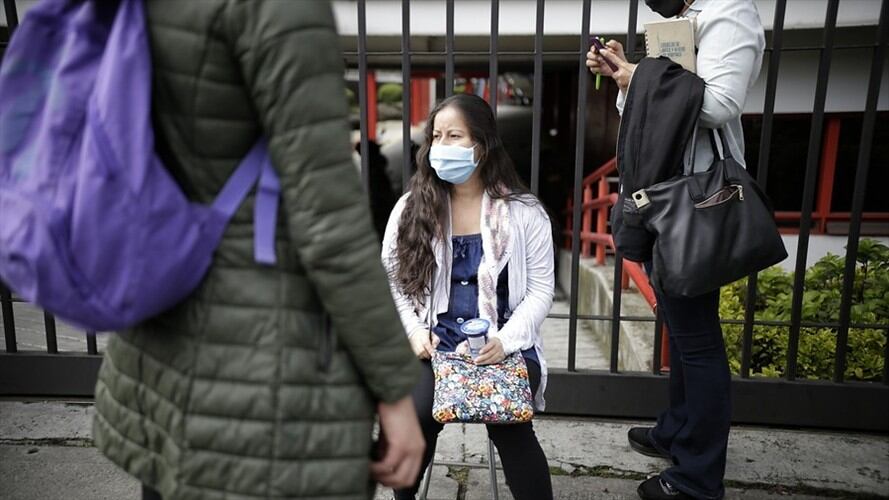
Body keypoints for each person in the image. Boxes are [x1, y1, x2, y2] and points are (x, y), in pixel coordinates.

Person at [92, 2, 424, 499]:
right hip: (262, 362)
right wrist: (395, 391)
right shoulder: (280, 8)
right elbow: (330, 225)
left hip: (157, 333)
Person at [587, 0, 765, 499]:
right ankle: (677, 431)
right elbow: (651, 111)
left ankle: (697, 478)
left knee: (698, 337)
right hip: (664, 196)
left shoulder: (729, 12)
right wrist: (627, 77)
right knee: (682, 325)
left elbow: (718, 104)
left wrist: (640, 73)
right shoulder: (687, 15)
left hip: (697, 199)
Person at [381, 94, 555, 499]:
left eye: (454, 136)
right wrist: (413, 333)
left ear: (482, 144)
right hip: (434, 344)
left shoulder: (524, 212)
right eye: (436, 136)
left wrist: (506, 341)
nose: (442, 146)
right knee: (414, 415)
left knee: (513, 429)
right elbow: (391, 280)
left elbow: (541, 290)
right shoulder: (412, 208)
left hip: (503, 344)